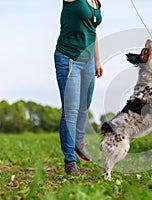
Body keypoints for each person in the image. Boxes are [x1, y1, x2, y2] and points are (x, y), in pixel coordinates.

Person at [54, 0, 103, 176]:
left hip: (88, 60)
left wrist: (97, 60)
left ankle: (78, 142)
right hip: (69, 58)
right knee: (71, 110)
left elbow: (93, 31)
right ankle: (70, 162)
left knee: (84, 106)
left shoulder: (96, 2)